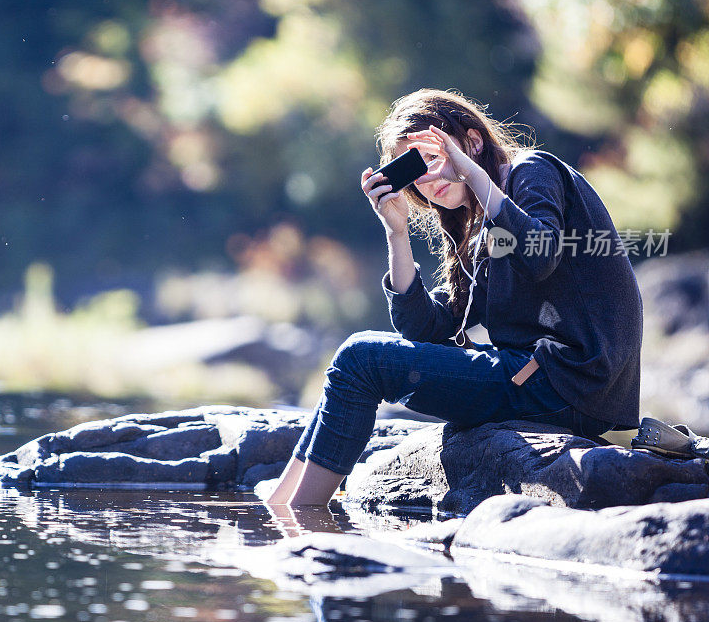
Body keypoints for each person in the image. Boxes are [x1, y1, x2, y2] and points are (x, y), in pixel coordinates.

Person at [265, 88, 644, 507]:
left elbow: (543, 254)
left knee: (361, 357)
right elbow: (425, 328)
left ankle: (298, 520)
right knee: (352, 362)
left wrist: (473, 176)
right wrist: (397, 233)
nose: (427, 179)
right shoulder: (481, 230)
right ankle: (279, 507)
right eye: (414, 171)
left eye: (433, 157)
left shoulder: (531, 171)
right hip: (542, 383)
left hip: (569, 383)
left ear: (473, 142)